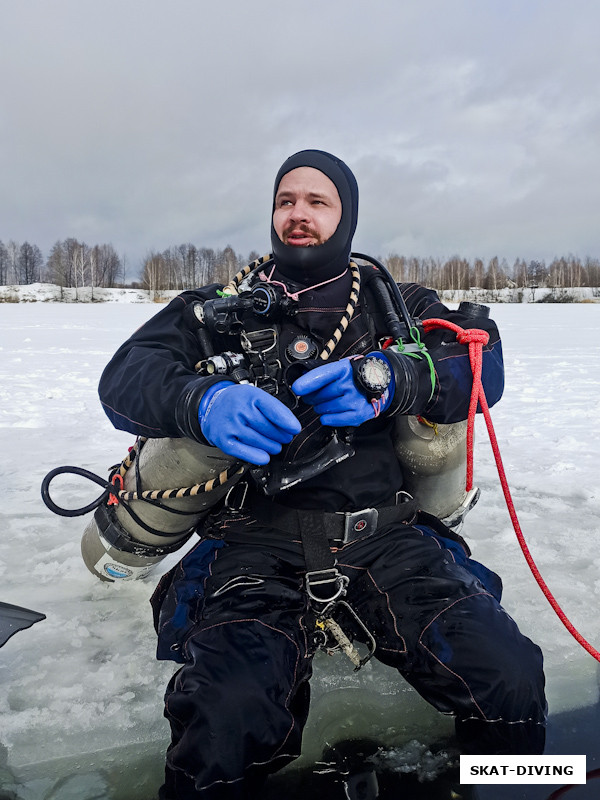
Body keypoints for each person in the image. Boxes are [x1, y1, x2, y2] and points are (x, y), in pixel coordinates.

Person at [98, 150, 547, 799]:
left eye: (317, 201)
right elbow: (125, 375)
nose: (298, 214)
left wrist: (398, 378)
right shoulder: (220, 308)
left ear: (347, 215)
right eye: (286, 200)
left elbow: (481, 364)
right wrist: (201, 400)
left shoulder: (398, 305)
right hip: (256, 541)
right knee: (226, 720)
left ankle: (495, 784)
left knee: (510, 678)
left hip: (387, 535)